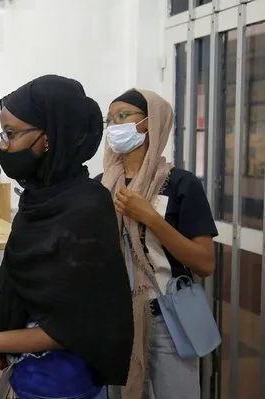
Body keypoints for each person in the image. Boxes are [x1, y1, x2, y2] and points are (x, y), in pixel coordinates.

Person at [0, 75, 134, 399]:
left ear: (48, 137)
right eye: (3, 134)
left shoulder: (86, 208)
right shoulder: (38, 199)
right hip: (24, 376)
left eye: (11, 134)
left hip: (62, 385)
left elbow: (69, 326)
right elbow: (35, 281)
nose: (3, 145)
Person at [95, 89, 218, 399]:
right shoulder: (101, 185)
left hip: (167, 319)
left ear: (151, 122)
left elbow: (204, 263)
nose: (114, 126)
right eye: (109, 119)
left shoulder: (180, 184)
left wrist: (151, 218)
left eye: (123, 116)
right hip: (114, 319)